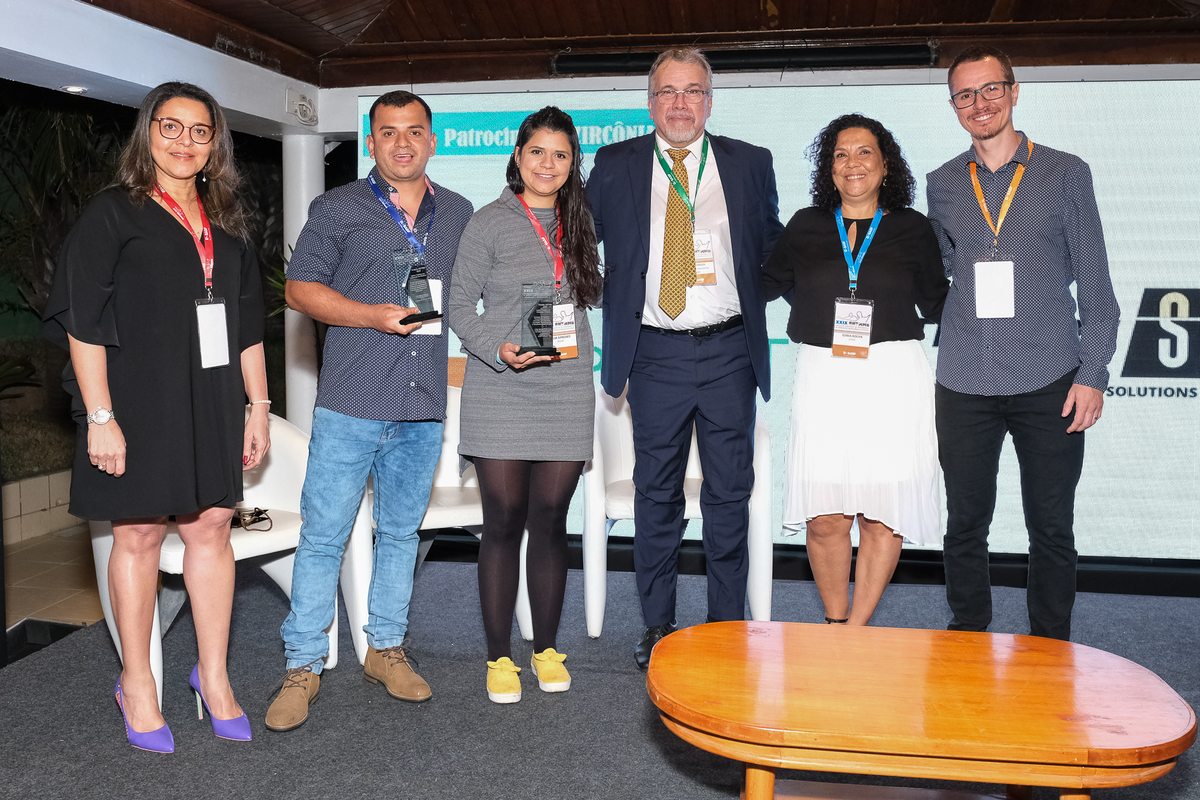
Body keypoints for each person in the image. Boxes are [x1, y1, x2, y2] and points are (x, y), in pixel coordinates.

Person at [43, 82, 269, 752]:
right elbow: (82, 322)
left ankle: (213, 675)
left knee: (212, 530)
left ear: (215, 144)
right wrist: (99, 416)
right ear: (148, 133)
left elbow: (247, 327)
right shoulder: (114, 212)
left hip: (213, 400)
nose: (184, 142)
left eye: (200, 131)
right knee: (138, 536)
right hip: (135, 403)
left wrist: (258, 406)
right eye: (171, 127)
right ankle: (136, 682)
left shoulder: (228, 225)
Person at [265, 91, 473, 730]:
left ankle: (385, 649)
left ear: (432, 140)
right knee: (323, 535)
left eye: (414, 132)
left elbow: (474, 292)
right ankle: (303, 665)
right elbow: (299, 289)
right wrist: (369, 316)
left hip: (422, 404)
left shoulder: (458, 211)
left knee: (401, 535)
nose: (402, 143)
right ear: (372, 140)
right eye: (388, 132)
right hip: (351, 402)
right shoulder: (339, 207)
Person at [588, 48, 784, 669]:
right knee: (656, 495)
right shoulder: (615, 164)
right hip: (653, 353)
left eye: (693, 91)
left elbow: (773, 248)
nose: (680, 103)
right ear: (650, 104)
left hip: (730, 350)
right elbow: (575, 242)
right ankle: (658, 626)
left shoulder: (750, 163)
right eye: (668, 92)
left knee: (729, 494)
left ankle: (725, 627)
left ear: (709, 101)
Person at [926, 46, 1120, 641]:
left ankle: (1050, 646)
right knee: (964, 524)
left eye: (991, 89)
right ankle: (968, 633)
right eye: (965, 94)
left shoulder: (1065, 172)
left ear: (1014, 91)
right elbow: (946, 271)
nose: (979, 103)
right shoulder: (942, 184)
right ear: (954, 105)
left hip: (1050, 376)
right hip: (964, 377)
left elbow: (1096, 283)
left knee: (1051, 527)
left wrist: (1092, 373)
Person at [763, 114, 949, 626]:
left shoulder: (912, 227)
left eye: (864, 152)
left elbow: (939, 302)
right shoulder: (805, 225)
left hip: (893, 378)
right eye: (840, 154)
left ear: (886, 165)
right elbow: (764, 285)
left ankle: (856, 632)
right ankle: (834, 621)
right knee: (825, 517)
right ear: (829, 168)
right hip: (824, 377)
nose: (852, 163)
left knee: (881, 516)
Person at [448, 107, 601, 703]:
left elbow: (592, 294)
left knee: (551, 519)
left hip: (566, 386)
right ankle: (499, 657)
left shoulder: (583, 220)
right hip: (501, 386)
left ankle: (546, 649)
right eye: (537, 151)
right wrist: (497, 349)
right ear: (517, 156)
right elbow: (459, 307)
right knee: (505, 520)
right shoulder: (488, 222)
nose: (547, 163)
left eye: (560, 154)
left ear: (573, 162)